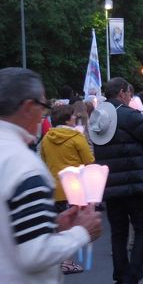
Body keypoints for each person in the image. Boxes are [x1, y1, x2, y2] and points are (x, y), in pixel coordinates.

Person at [0, 68, 102, 284]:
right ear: (28, 107)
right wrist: (81, 233)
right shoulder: (23, 165)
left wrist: (51, 228)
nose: (43, 115)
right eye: (43, 106)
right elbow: (34, 254)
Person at [89, 77, 143, 284]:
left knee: (119, 233)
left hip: (112, 184)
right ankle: (132, 280)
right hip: (136, 183)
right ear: (123, 92)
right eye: (130, 94)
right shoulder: (127, 115)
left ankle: (120, 281)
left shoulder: (97, 116)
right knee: (142, 231)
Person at [39, 104, 96, 274]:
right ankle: (68, 261)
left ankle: (60, 259)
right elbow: (89, 160)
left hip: (54, 187)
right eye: (72, 116)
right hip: (74, 187)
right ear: (67, 119)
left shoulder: (46, 138)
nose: (74, 118)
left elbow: (42, 159)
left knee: (58, 224)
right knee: (73, 224)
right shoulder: (77, 137)